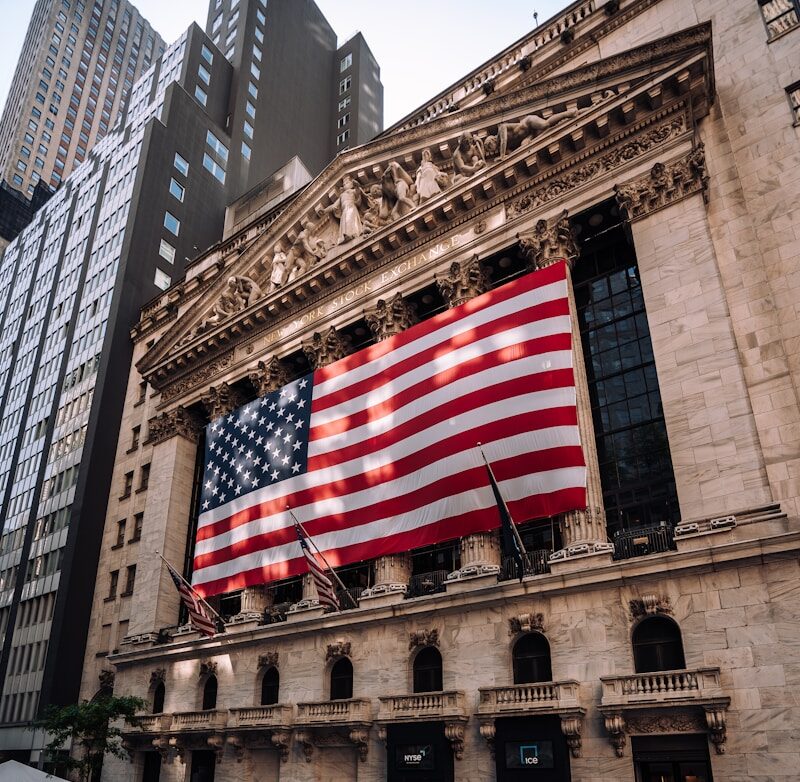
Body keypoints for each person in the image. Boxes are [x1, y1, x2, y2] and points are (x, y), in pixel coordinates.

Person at [497, 106, 579, 157]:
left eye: (488, 145)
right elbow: (512, 155)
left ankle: (568, 114)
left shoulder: (502, 128)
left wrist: (502, 155)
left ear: (492, 139)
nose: (490, 148)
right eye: (488, 149)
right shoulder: (507, 147)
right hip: (530, 135)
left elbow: (503, 140)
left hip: (529, 123)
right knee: (523, 146)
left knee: (545, 124)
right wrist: (502, 158)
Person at [325, 175, 365, 243]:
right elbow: (334, 205)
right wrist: (324, 210)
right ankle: (345, 236)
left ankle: (354, 233)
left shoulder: (352, 191)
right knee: (345, 222)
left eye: (347, 183)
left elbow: (358, 192)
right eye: (344, 184)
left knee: (351, 220)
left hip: (351, 207)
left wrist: (357, 186)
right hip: (344, 210)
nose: (345, 185)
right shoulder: (342, 195)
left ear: (351, 184)